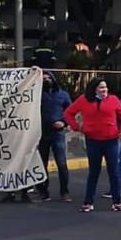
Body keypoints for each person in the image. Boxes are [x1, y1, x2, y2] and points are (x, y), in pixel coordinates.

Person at [64, 77, 121, 213]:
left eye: (105, 87)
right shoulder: (84, 100)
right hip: (93, 140)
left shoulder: (113, 99)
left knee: (114, 172)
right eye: (101, 87)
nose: (104, 90)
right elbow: (68, 113)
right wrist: (77, 127)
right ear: (94, 88)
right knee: (94, 172)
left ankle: (117, 202)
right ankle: (88, 202)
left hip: (111, 140)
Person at [36, 70, 72, 202]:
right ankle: (43, 191)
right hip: (42, 134)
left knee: (61, 164)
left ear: (53, 79)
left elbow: (71, 112)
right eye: (43, 78)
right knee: (41, 164)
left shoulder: (63, 95)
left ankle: (64, 191)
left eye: (48, 78)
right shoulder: (37, 95)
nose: (46, 80)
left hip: (58, 134)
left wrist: (63, 122)